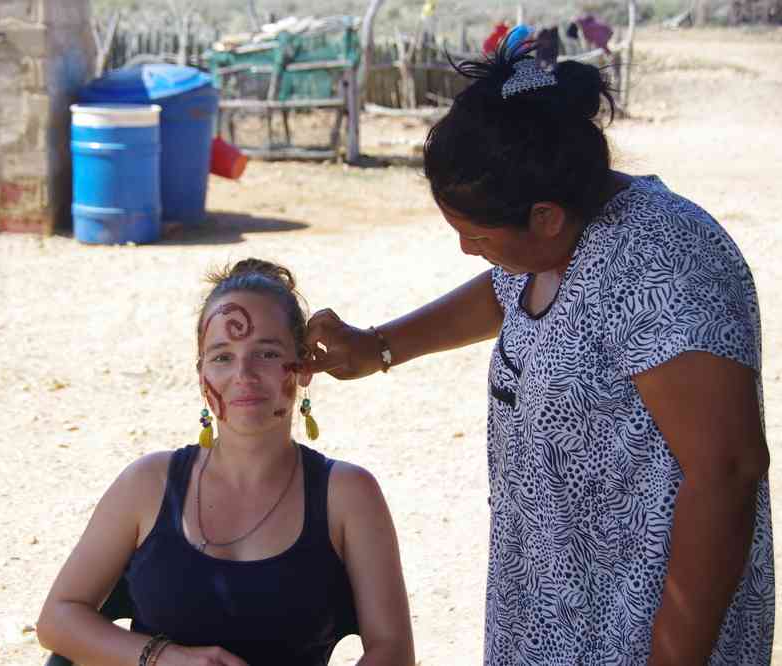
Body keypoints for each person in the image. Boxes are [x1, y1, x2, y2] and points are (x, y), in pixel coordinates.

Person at [302, 40, 773, 665]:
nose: (470, 251)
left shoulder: (666, 264)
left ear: (545, 217)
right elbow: (505, 293)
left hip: (643, 631)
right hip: (552, 612)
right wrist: (379, 347)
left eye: (477, 236)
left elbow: (727, 473)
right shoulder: (553, 243)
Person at [37, 259, 414, 666]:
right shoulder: (147, 484)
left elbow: (391, 650)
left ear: (304, 368)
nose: (244, 374)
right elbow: (58, 617)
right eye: (221, 357)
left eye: (267, 353)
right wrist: (164, 658)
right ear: (201, 377)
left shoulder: (349, 494)